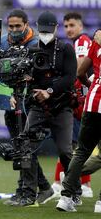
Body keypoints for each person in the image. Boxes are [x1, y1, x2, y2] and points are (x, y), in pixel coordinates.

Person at [0, 9, 51, 206]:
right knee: (20, 147)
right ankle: (41, 187)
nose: (14, 30)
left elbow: (44, 74)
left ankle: (28, 192)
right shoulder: (1, 42)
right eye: (10, 26)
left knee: (25, 146)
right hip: (8, 100)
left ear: (27, 25)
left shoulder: (37, 44)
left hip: (31, 102)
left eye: (18, 26)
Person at [11, 11, 76, 206]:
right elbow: (23, 78)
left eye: (49, 30)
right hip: (37, 106)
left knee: (65, 151)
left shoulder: (65, 49)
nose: (46, 34)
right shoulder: (31, 51)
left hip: (61, 106)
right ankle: (30, 194)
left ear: (56, 28)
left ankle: (73, 190)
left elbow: (69, 78)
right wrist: (18, 92)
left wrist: (49, 90)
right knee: (25, 148)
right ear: (38, 29)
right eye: (43, 31)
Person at [56, 29, 101, 213]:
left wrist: (91, 86)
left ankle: (66, 197)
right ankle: (100, 203)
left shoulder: (97, 38)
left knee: (82, 151)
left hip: (92, 104)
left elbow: (80, 72)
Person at [51, 12, 93, 198]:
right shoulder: (78, 43)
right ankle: (82, 184)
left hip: (80, 103)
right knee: (76, 144)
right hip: (82, 101)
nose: (69, 29)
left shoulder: (82, 41)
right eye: (66, 26)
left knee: (70, 144)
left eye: (72, 25)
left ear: (81, 26)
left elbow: (79, 67)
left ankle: (63, 183)